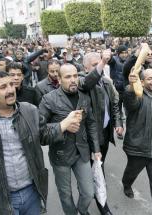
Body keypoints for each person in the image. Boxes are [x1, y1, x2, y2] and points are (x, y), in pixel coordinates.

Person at [0, 71, 48, 214]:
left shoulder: (29, 110)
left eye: (11, 84)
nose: (11, 90)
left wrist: (65, 124)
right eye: (3, 87)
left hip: (32, 192)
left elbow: (45, 134)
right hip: (0, 199)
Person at [39, 63, 101, 215]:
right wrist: (63, 126)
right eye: (67, 77)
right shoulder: (48, 99)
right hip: (61, 155)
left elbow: (91, 123)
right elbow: (40, 133)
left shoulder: (84, 96)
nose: (73, 80)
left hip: (82, 152)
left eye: (75, 76)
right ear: (59, 79)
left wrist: (96, 149)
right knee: (66, 196)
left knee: (88, 193)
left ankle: (82, 210)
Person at [122, 68, 152, 215]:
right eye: (149, 79)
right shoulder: (138, 96)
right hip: (138, 148)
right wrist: (131, 87)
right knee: (131, 173)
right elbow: (130, 101)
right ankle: (126, 184)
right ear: (142, 82)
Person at [80, 51, 123, 215]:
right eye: (95, 65)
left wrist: (118, 123)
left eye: (102, 63)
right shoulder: (81, 82)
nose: (101, 66)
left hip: (104, 134)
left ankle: (96, 184)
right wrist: (102, 63)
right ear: (85, 68)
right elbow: (87, 83)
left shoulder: (106, 82)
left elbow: (114, 104)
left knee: (99, 164)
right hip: (89, 138)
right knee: (95, 169)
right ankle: (102, 205)